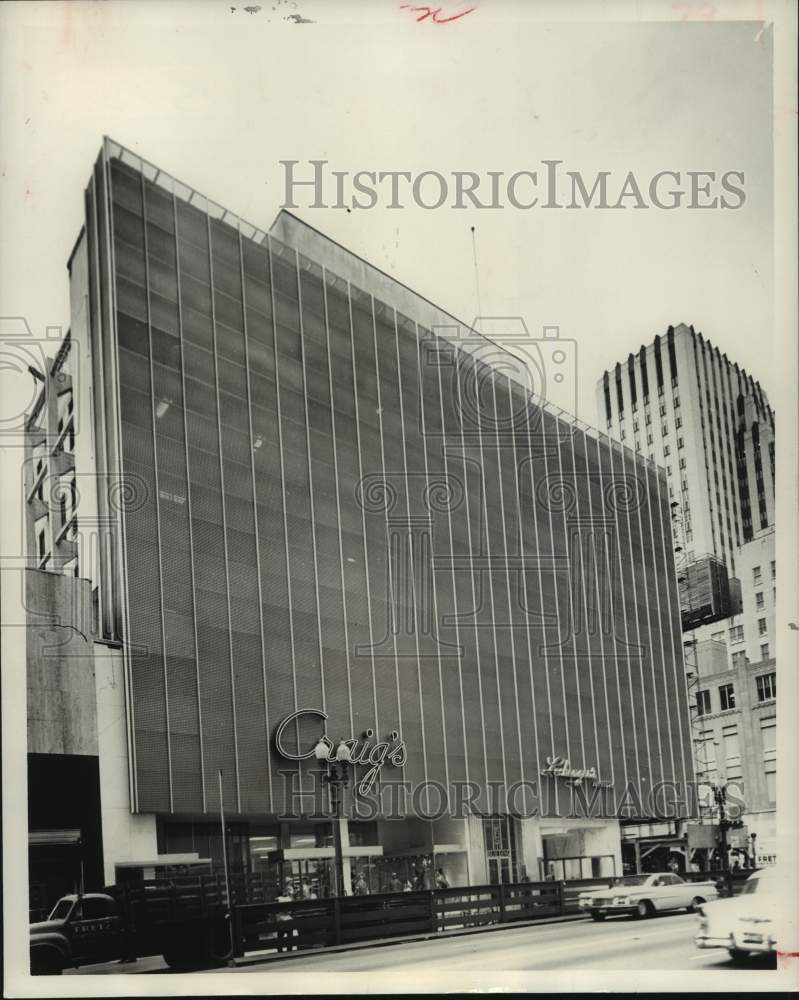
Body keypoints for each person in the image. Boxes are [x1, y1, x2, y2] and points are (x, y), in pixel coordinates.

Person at [275, 882, 296, 953]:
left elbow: (276, 911)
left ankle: (280, 950)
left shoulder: (278, 899)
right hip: (288, 919)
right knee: (290, 935)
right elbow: (293, 910)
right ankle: (289, 949)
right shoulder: (289, 899)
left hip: (281, 919)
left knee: (280, 936)